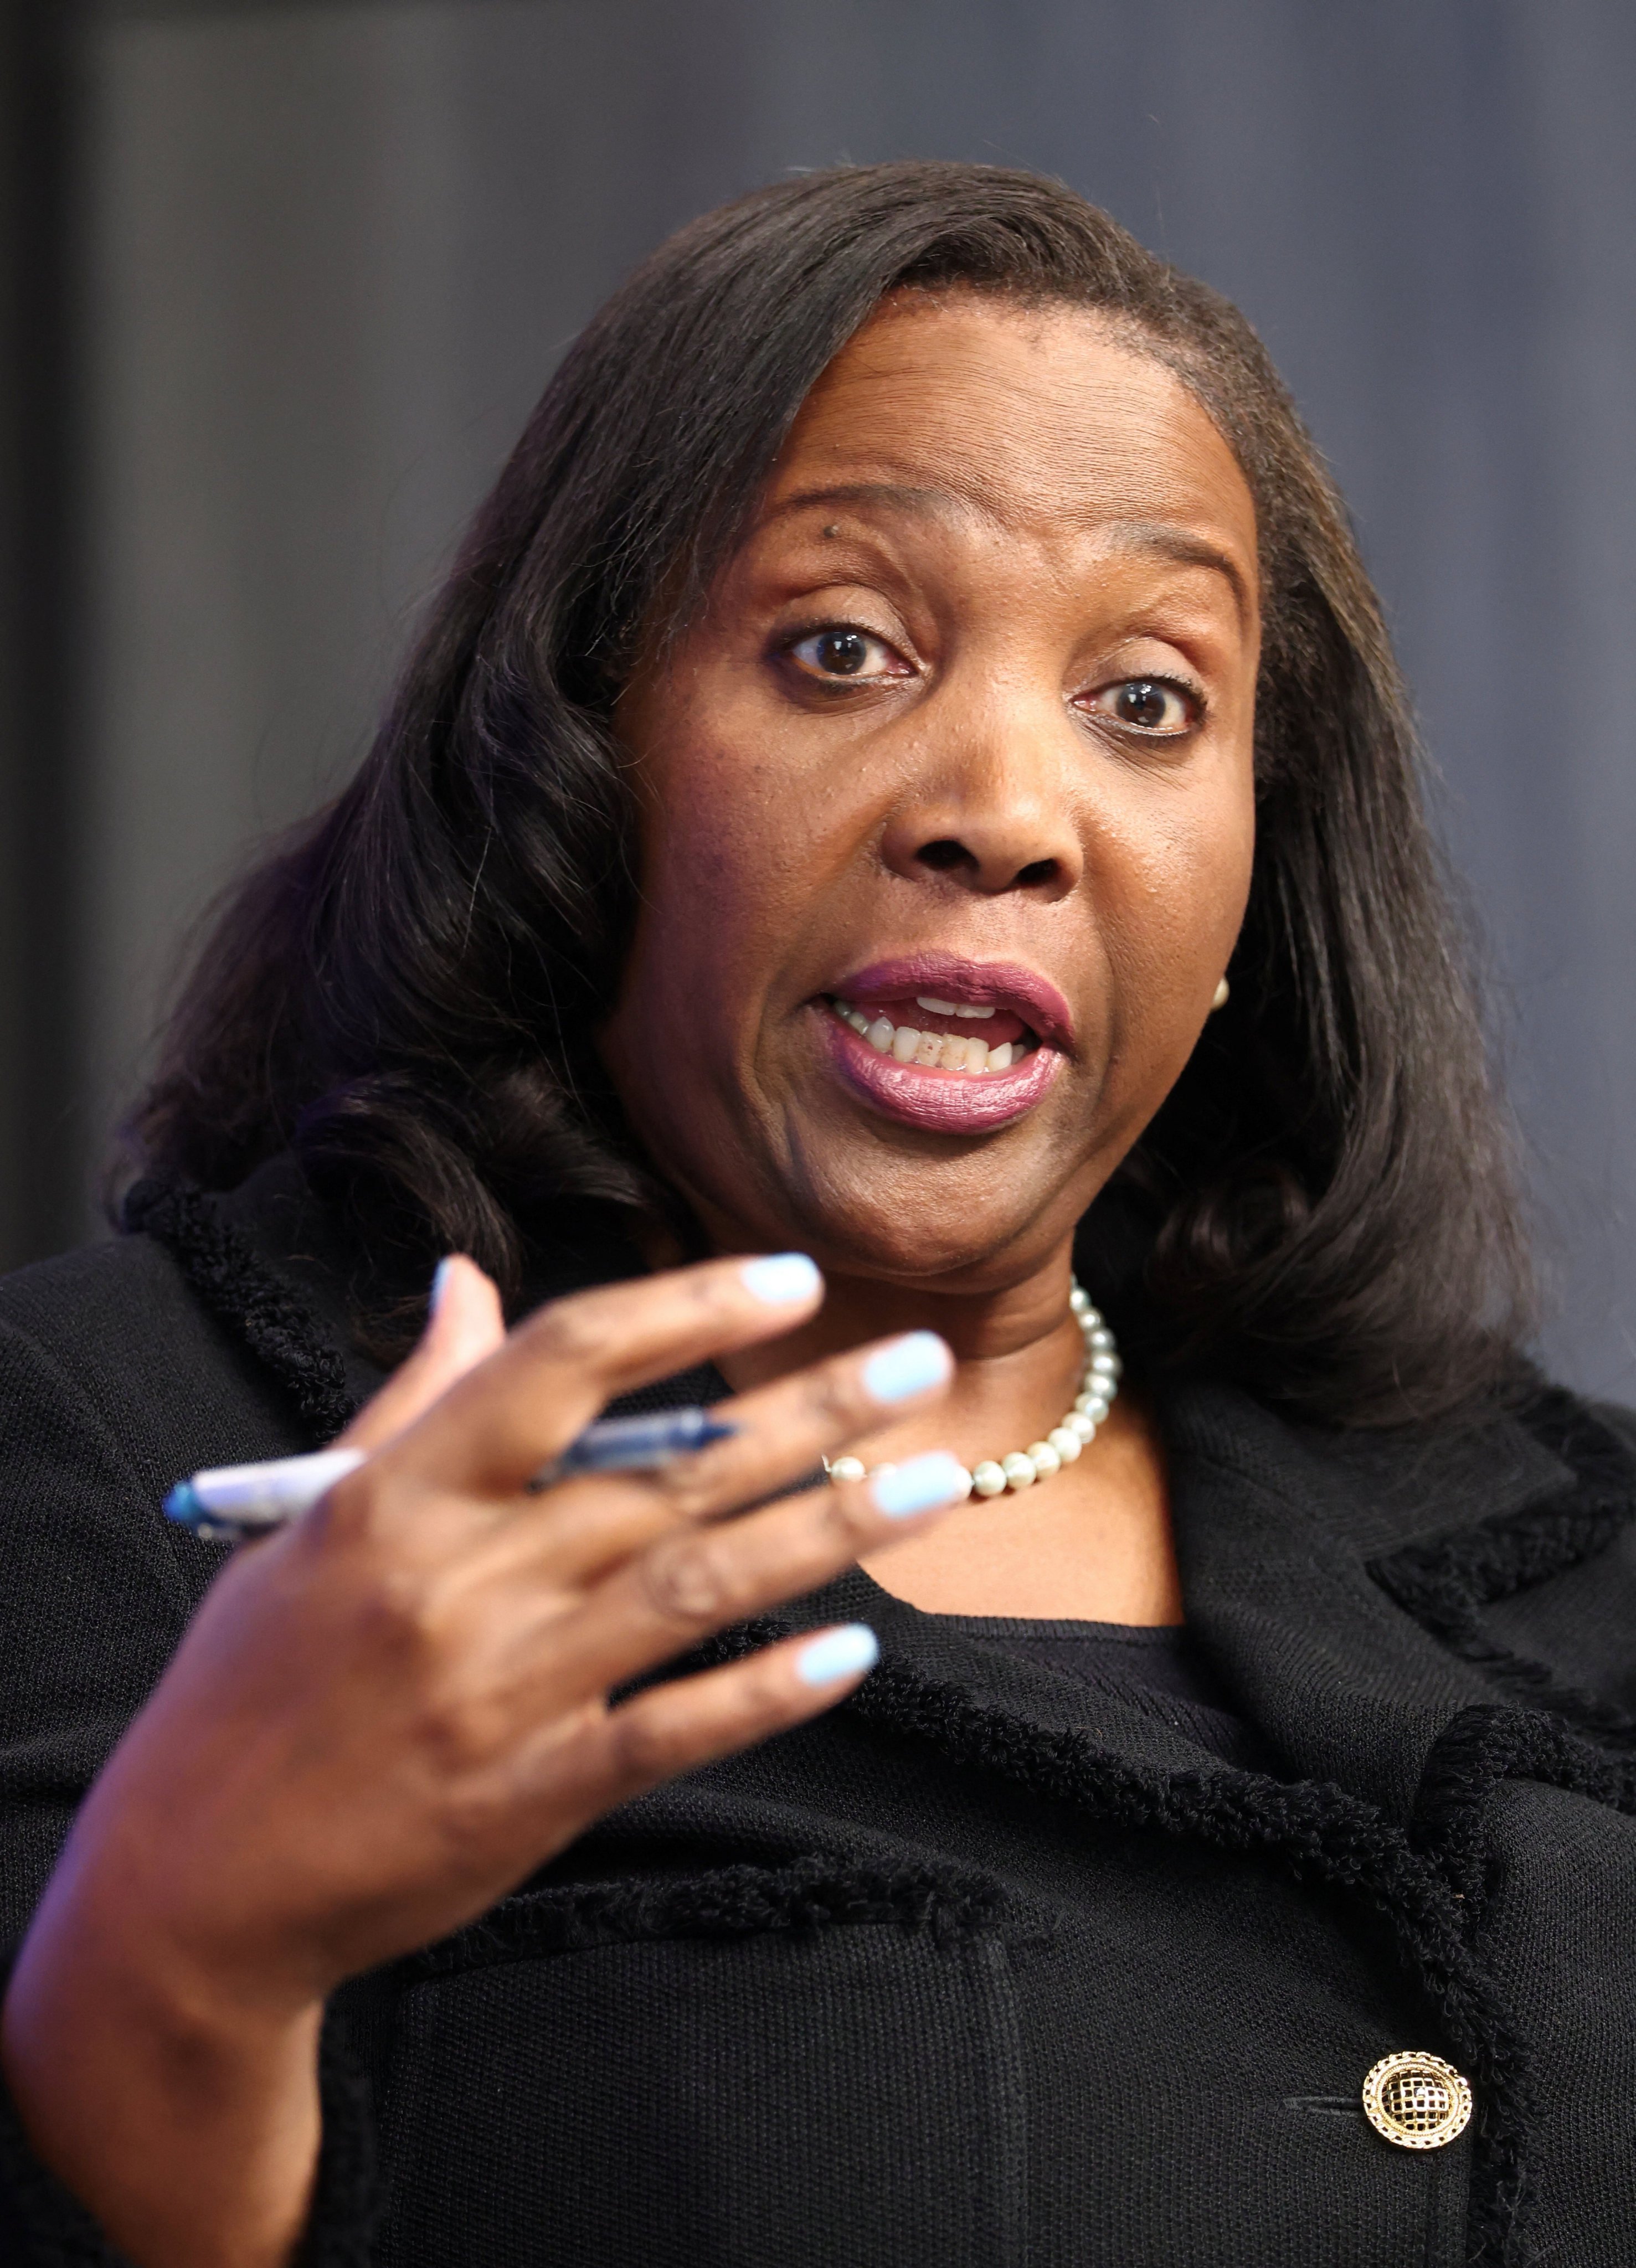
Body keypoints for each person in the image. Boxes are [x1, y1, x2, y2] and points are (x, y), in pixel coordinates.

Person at [0, 159, 1631, 2268]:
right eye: (840, 648)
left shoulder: (1575, 1543)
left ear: (1247, 882)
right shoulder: (129, 1451)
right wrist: (178, 1979)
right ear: (581, 762)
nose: (1002, 814)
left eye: (1147, 699)